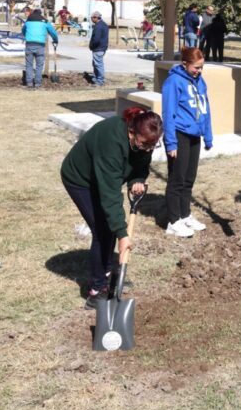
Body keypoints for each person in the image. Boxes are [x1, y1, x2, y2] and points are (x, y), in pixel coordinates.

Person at [61, 106, 161, 307]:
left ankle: (108, 277)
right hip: (81, 180)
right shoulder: (111, 141)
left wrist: (137, 179)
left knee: (108, 229)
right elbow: (110, 196)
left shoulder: (144, 139)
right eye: (143, 145)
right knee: (102, 229)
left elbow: (140, 165)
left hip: (103, 178)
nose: (147, 150)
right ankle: (97, 289)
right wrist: (123, 234)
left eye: (152, 146)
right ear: (131, 132)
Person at [161, 47, 214, 237]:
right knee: (177, 179)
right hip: (179, 134)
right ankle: (173, 221)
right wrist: (171, 142)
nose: (199, 71)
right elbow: (168, 113)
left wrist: (207, 135)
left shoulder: (200, 82)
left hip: (195, 135)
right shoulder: (173, 82)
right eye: (196, 67)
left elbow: (205, 109)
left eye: (201, 68)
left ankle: (185, 215)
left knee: (189, 179)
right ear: (185, 64)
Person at [22, 9, 59, 89]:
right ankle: (37, 83)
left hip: (29, 44)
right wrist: (55, 40)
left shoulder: (28, 20)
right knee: (39, 65)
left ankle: (29, 83)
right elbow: (52, 32)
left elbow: (23, 30)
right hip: (40, 45)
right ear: (40, 14)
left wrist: (26, 36)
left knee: (29, 64)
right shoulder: (45, 21)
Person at [88, 10, 109, 87]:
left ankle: (100, 81)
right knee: (96, 64)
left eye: (92, 18)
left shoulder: (98, 26)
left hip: (98, 48)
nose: (91, 19)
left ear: (95, 17)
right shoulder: (104, 24)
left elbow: (96, 39)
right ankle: (96, 78)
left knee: (98, 64)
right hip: (102, 47)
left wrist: (92, 46)